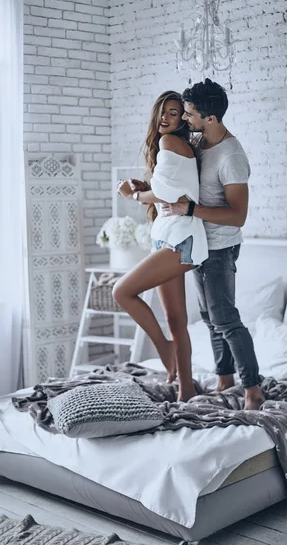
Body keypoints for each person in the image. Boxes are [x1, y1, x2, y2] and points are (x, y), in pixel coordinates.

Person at [160, 79, 264, 411]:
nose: (186, 119)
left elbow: (238, 216)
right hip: (199, 243)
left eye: (190, 114)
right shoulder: (200, 140)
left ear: (212, 118)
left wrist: (189, 209)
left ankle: (253, 389)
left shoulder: (231, 156)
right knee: (208, 317)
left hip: (220, 247)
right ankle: (225, 378)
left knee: (225, 319)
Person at [114, 91, 208, 402]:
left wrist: (135, 196)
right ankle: (186, 389)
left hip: (180, 241)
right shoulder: (173, 146)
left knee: (121, 291)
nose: (167, 118)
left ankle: (165, 348)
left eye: (175, 112)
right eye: (164, 112)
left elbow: (168, 192)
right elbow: (169, 187)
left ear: (183, 118)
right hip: (173, 238)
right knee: (176, 320)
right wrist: (147, 187)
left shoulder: (170, 142)